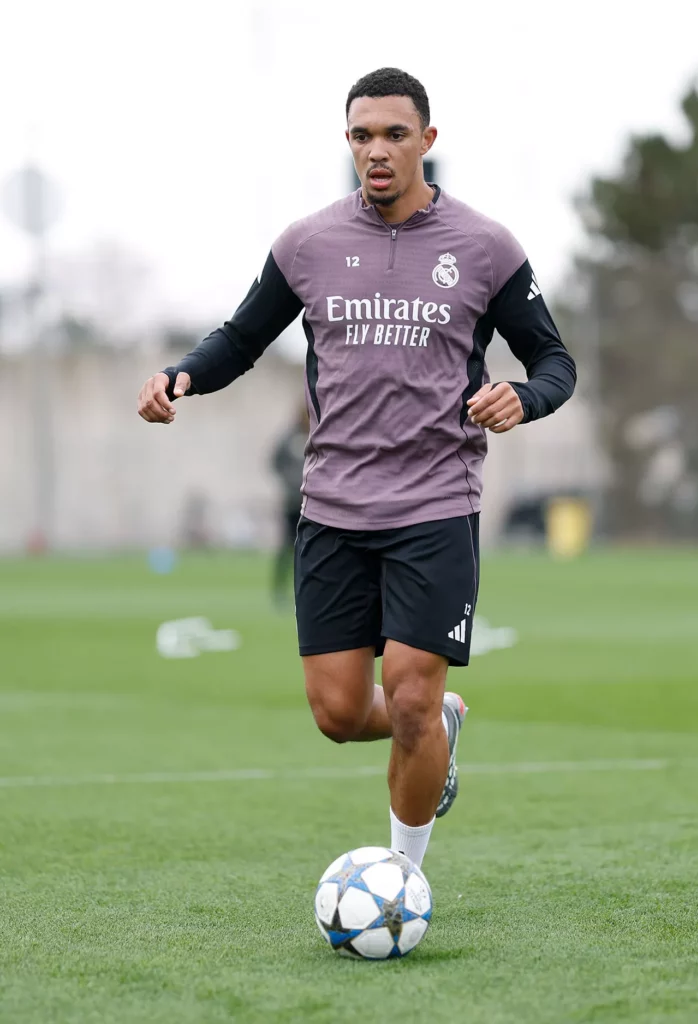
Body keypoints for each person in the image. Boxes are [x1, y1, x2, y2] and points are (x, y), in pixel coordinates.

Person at [137, 67, 576, 868]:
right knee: (339, 712)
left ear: (427, 142)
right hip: (333, 507)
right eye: (362, 135)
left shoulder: (484, 246)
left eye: (394, 135)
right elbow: (240, 339)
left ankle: (404, 876)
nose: (376, 151)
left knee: (409, 694)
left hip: (436, 503)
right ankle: (442, 721)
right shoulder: (308, 243)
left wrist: (524, 397)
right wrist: (183, 376)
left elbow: (554, 360)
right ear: (348, 143)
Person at [270, 403, 310, 607]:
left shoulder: (316, 433)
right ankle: (278, 591)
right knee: (287, 547)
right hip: (292, 502)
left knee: (308, 549)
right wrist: (289, 481)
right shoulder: (289, 437)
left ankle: (305, 591)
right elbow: (274, 461)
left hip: (312, 502)